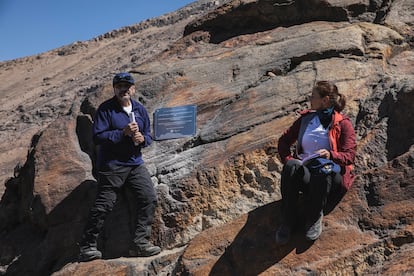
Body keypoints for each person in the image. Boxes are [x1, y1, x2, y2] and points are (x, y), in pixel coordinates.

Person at [78, 72, 161, 261]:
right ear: (114, 89)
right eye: (119, 86)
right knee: (104, 205)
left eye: (127, 86)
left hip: (135, 164)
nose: (123, 89)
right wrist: (121, 133)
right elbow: (98, 137)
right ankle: (87, 247)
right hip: (112, 165)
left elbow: (148, 135)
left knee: (148, 198)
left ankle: (140, 243)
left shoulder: (140, 110)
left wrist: (142, 140)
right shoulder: (106, 109)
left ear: (133, 88)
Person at [275, 80, 356, 245]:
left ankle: (314, 217)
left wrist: (330, 155)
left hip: (331, 176)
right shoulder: (306, 119)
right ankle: (288, 220)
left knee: (324, 167)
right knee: (291, 167)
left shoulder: (342, 123)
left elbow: (350, 155)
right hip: (307, 172)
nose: (310, 98)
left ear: (324, 100)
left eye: (313, 96)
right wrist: (288, 159)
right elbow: (284, 141)